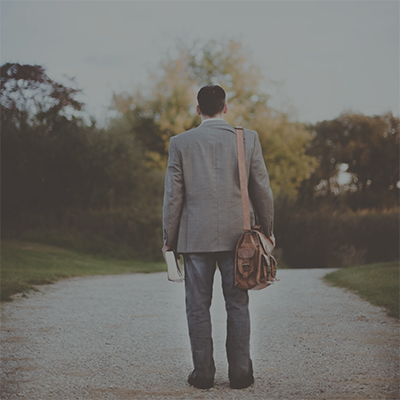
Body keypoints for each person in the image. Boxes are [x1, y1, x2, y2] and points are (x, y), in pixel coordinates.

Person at [162, 85, 274, 390]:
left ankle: (203, 375)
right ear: (225, 108)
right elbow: (261, 188)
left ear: (198, 110)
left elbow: (174, 197)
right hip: (240, 241)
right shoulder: (247, 138)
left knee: (197, 306)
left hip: (194, 239)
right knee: (237, 304)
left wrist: (169, 240)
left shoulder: (180, 143)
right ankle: (240, 374)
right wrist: (267, 229)